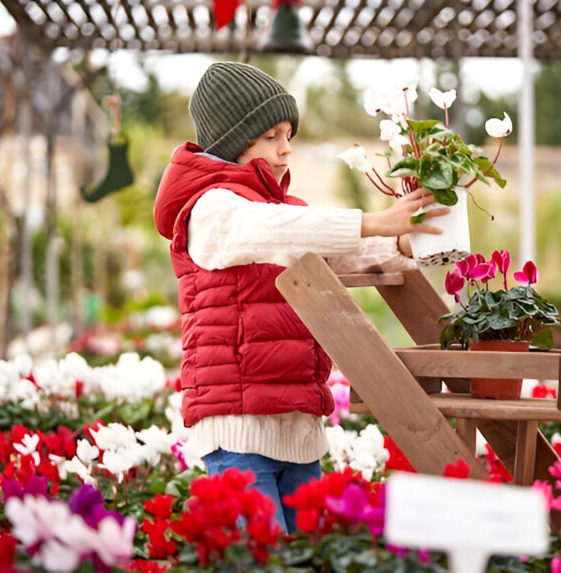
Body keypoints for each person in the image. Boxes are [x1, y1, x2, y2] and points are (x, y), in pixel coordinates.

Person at [152, 62, 447, 533]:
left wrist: (405, 242)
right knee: (263, 557)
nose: (287, 148)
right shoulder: (210, 209)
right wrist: (374, 221)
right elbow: (269, 231)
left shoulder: (288, 214)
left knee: (310, 558)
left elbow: (337, 254)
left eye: (288, 133)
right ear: (234, 141)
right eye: (271, 136)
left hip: (297, 426)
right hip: (239, 426)